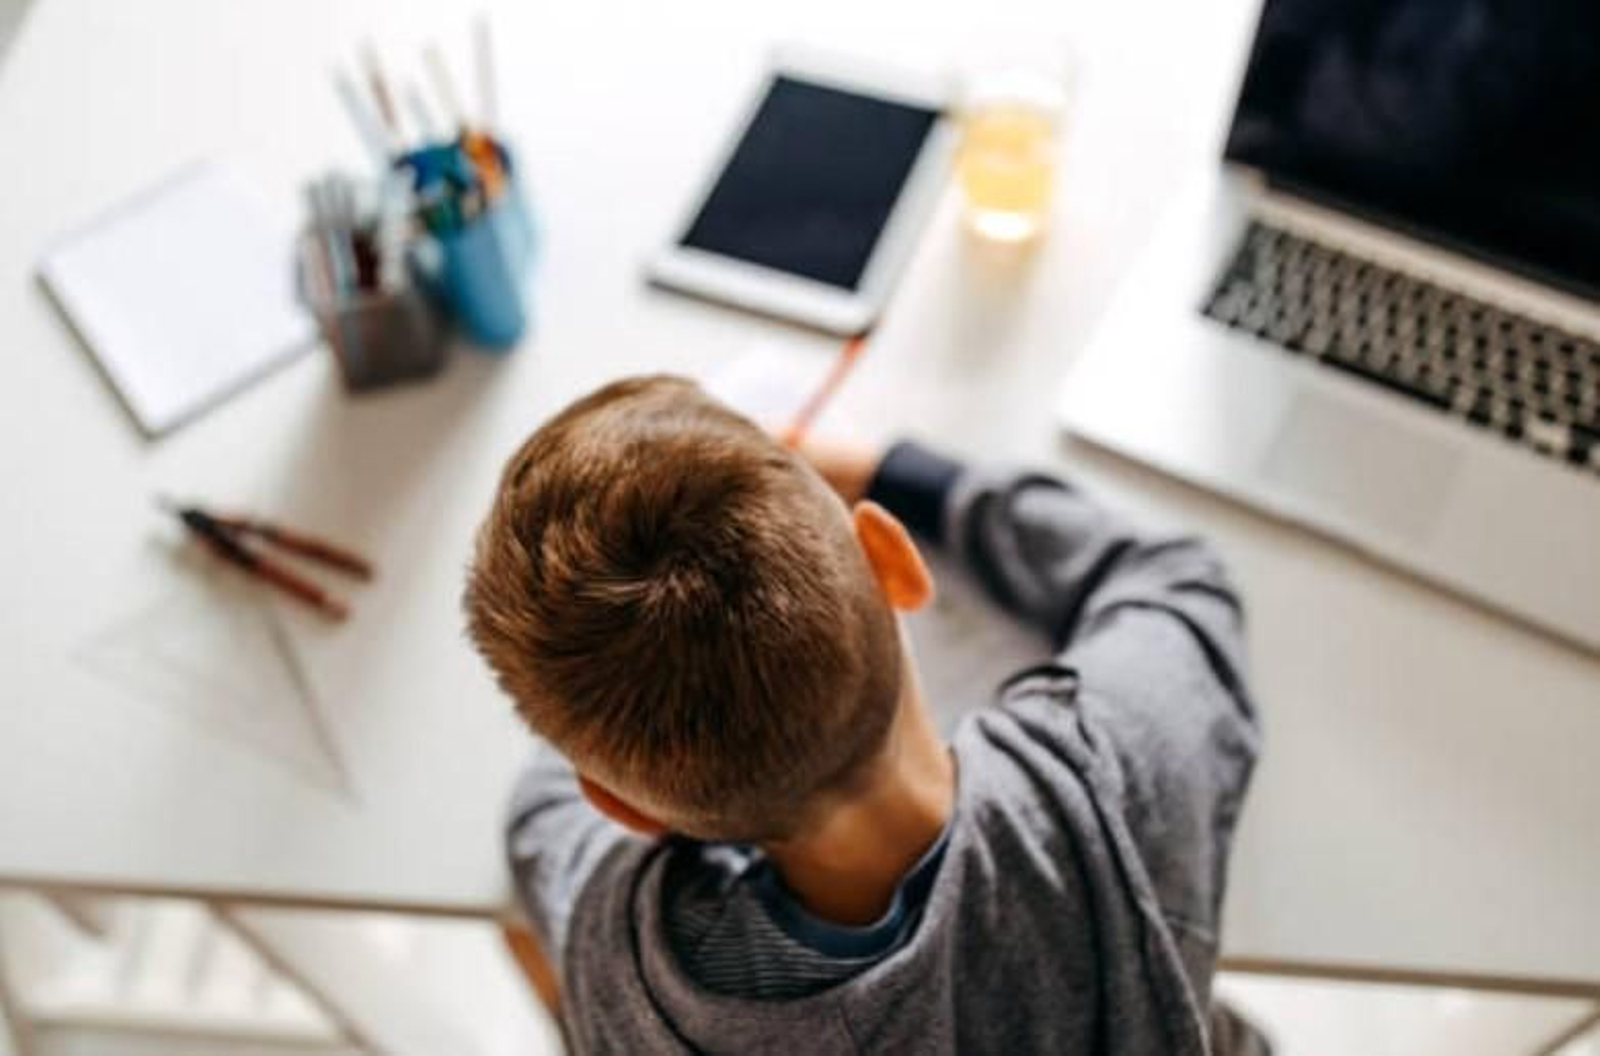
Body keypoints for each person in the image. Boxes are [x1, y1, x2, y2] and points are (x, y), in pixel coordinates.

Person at [463, 374, 1262, 1054]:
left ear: (624, 809)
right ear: (894, 559)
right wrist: (897, 472)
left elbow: (541, 816)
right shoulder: (1108, 784)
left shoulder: (623, 961)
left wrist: (623, 689)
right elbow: (1174, 579)